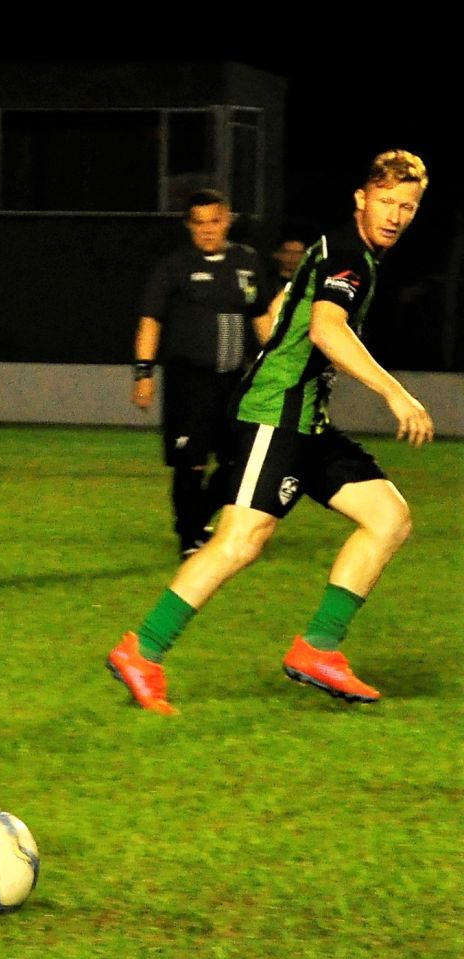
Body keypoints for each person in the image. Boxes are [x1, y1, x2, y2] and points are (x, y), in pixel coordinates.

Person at [108, 150, 434, 717]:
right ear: (361, 198)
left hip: (307, 420)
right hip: (276, 414)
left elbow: (286, 306)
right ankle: (143, 650)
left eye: (407, 206)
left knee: (388, 517)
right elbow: (327, 328)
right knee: (240, 541)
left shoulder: (340, 250)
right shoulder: (350, 256)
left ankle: (319, 648)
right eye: (386, 201)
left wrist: (284, 341)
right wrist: (394, 393)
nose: (395, 215)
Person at [133, 189, 277, 557]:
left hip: (235, 380)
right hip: (189, 381)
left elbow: (261, 316)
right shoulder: (174, 267)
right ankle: (190, 539)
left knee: (239, 460)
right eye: (199, 223)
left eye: (215, 221)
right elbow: (150, 320)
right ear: (188, 226)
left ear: (227, 220)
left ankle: (195, 519)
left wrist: (277, 364)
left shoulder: (247, 261)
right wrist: (143, 372)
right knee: (191, 460)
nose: (208, 229)